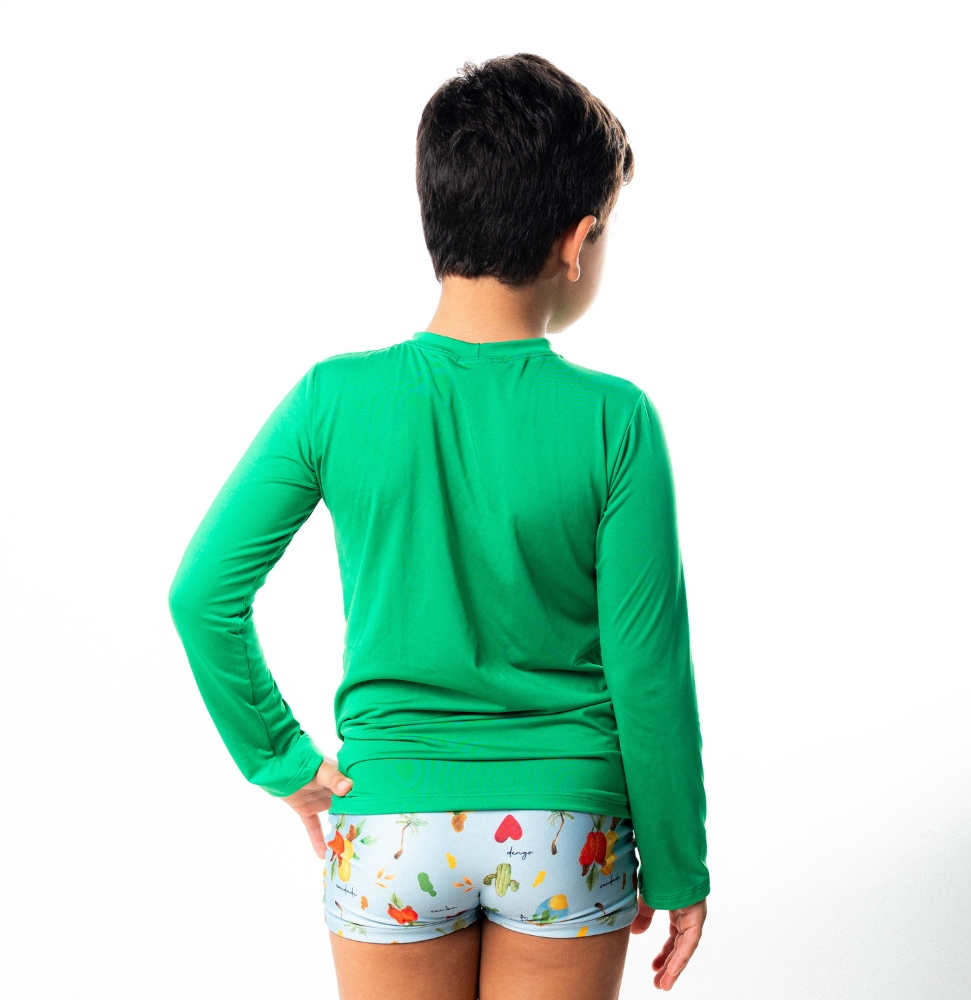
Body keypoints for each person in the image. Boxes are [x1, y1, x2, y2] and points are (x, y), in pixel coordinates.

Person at [168, 52, 709, 999]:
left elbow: (202, 595)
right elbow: (647, 670)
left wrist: (283, 761)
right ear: (578, 240)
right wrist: (676, 868)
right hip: (566, 824)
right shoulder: (617, 419)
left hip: (387, 826)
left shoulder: (333, 398)